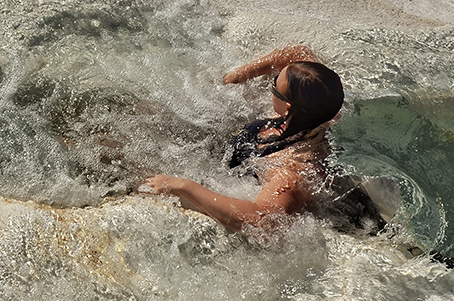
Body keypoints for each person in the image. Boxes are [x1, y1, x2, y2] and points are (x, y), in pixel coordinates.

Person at [141, 45, 375, 233]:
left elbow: (260, 221)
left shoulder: (294, 169)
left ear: (289, 106)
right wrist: (237, 76)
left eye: (275, 86)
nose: (270, 85)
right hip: (232, 148)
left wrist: (185, 186)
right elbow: (297, 53)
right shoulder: (319, 99)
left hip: (231, 175)